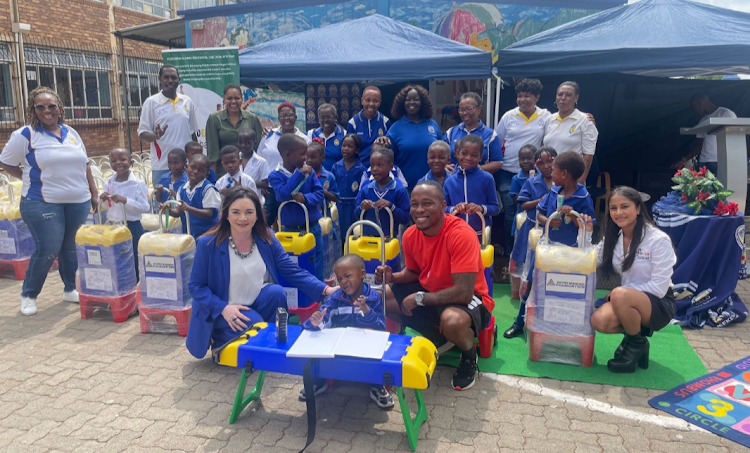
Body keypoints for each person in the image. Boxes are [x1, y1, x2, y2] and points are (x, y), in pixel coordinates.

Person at [186, 187, 336, 358]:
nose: (243, 218)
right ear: (226, 214)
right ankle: (220, 342)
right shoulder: (207, 244)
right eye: (236, 212)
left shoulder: (267, 237)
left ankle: (265, 347)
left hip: (253, 302)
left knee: (276, 293)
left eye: (249, 212)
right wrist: (223, 308)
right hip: (221, 308)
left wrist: (326, 290)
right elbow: (196, 286)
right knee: (257, 325)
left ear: (257, 215)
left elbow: (292, 271)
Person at [375, 180, 494, 391]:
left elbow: (464, 293)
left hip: (471, 298)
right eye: (414, 204)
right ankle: (439, 339)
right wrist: (392, 277)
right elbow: (414, 273)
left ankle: (468, 356)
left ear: (442, 206)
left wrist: (419, 298)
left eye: (427, 203)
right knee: (379, 296)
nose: (419, 210)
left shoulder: (461, 234)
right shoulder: (410, 234)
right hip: (432, 291)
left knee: (452, 320)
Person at [0, 86, 98, 315]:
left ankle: (70, 288)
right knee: (48, 249)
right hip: (41, 201)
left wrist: (93, 192)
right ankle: (28, 294)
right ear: (33, 110)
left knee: (70, 247)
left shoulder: (71, 133)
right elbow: (6, 162)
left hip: (78, 201)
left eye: (51, 106)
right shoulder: (26, 135)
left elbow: (85, 164)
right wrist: (27, 177)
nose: (47, 111)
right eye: (40, 107)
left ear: (59, 108)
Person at [580, 186, 677, 373]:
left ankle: (634, 345)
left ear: (638, 208)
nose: (619, 213)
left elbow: (659, 288)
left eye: (625, 207)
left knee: (619, 295)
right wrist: (587, 232)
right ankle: (638, 340)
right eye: (613, 208)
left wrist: (623, 294)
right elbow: (590, 260)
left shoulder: (658, 240)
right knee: (600, 321)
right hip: (628, 300)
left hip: (660, 303)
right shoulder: (613, 236)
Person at [504, 151, 596, 339]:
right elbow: (539, 213)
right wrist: (549, 221)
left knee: (560, 288)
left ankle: (558, 328)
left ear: (564, 174)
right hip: (546, 248)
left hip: (568, 252)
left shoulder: (582, 197)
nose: (550, 174)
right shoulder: (554, 191)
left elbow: (589, 225)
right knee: (531, 281)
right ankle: (520, 321)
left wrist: (573, 216)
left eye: (554, 170)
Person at [299, 254, 393, 408]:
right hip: (340, 344)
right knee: (316, 344)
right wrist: (316, 322)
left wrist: (367, 312)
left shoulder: (373, 298)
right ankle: (318, 382)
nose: (343, 282)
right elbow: (325, 318)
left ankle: (377, 387)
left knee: (379, 353)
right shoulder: (336, 298)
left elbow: (381, 327)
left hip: (365, 344)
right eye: (339, 278)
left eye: (348, 276)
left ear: (362, 274)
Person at [495, 79, 548, 253]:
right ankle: (512, 255)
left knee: (533, 214)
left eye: (527, 96)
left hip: (533, 175)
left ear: (537, 97)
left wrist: (586, 117)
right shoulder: (508, 116)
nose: (522, 99)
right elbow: (498, 141)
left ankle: (532, 254)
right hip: (508, 174)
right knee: (511, 216)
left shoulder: (546, 117)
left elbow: (561, 122)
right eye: (519, 96)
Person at [268, 134, 325, 280]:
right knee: (294, 265)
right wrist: (299, 174)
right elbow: (282, 195)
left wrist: (306, 198)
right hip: (290, 230)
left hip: (312, 227)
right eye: (302, 154)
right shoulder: (275, 175)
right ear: (287, 155)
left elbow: (319, 193)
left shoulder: (309, 172)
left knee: (317, 261)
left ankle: (318, 296)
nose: (305, 158)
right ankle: (300, 297)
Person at [138, 65, 198, 184]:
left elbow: (192, 133)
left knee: (184, 201)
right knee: (163, 201)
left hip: (185, 166)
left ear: (178, 79)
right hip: (162, 165)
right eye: (166, 77)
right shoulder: (151, 102)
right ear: (160, 79)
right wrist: (155, 136)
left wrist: (195, 158)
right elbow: (142, 134)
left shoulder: (187, 101)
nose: (170, 81)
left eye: (173, 77)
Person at [509, 146, 555, 298]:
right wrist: (539, 201)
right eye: (541, 163)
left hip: (554, 230)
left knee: (546, 264)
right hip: (531, 227)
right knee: (522, 259)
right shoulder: (531, 182)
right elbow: (523, 204)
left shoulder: (561, 182)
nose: (546, 166)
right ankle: (518, 294)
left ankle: (542, 295)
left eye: (550, 161)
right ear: (536, 165)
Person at [100, 147, 149, 280]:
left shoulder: (137, 184)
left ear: (131, 162)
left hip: (131, 226)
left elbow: (145, 207)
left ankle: (136, 287)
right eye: (114, 161)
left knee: (134, 259)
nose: (118, 163)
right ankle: (121, 286)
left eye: (123, 159)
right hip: (113, 226)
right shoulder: (109, 182)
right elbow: (106, 206)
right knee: (116, 259)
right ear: (110, 164)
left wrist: (125, 200)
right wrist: (103, 199)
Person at [385, 85, 442, 188]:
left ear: (422, 102)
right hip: (406, 189)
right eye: (408, 100)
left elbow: (442, 153)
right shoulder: (395, 128)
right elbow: (388, 159)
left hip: (433, 187)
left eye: (416, 99)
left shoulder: (432, 125)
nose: (411, 103)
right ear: (402, 103)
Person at [542, 82, 599, 185]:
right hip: (549, 178)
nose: (563, 98)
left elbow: (588, 156)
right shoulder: (549, 119)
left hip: (571, 179)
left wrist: (579, 182)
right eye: (560, 94)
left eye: (568, 95)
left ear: (576, 98)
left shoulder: (585, 121)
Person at [444, 135, 500, 237]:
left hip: (480, 235)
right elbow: (442, 208)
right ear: (457, 153)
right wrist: (455, 209)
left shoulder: (487, 178)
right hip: (456, 234)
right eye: (464, 153)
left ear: (480, 157)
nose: (468, 158)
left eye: (474, 155)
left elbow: (495, 208)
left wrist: (480, 208)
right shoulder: (449, 181)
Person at [205, 83, 264, 178]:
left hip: (249, 172)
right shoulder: (215, 118)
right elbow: (213, 153)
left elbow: (258, 147)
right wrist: (214, 180)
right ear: (224, 99)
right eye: (229, 98)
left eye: (237, 98)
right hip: (224, 172)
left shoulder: (251, 118)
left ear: (242, 99)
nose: (233, 102)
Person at [672, 93, 737, 175]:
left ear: (700, 103)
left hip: (720, 160)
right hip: (704, 161)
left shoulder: (726, 114)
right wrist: (685, 160)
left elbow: (734, 138)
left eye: (694, 108)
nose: (695, 111)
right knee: (705, 187)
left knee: (721, 187)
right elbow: (700, 146)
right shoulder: (703, 120)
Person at [443, 92, 503, 181]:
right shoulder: (451, 132)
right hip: (454, 183)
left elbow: (498, 162)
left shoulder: (490, 134)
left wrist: (478, 169)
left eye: (469, 109)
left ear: (479, 109)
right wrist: (444, 165)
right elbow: (440, 153)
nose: (465, 113)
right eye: (461, 110)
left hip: (479, 182)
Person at [354, 146, 410, 238]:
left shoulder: (399, 190)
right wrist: (362, 207)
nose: (375, 169)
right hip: (367, 239)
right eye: (372, 166)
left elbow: (406, 219)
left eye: (380, 165)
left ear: (390, 167)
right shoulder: (366, 189)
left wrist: (391, 206)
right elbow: (356, 215)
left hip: (390, 240)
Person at [164, 154, 221, 240]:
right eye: (193, 167)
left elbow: (208, 213)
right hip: (189, 234)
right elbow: (178, 212)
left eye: (201, 170)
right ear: (186, 167)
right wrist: (168, 210)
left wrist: (188, 208)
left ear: (207, 174)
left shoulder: (208, 189)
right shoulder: (182, 189)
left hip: (208, 235)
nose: (195, 172)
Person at [258, 102, 311, 172]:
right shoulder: (268, 135)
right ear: (278, 118)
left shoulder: (305, 140)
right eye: (282, 115)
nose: (286, 118)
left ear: (295, 117)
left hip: (295, 181)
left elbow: (308, 163)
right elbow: (259, 159)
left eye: (290, 115)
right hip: (269, 181)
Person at [332, 134, 365, 239]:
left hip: (353, 207)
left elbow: (361, 190)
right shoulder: (336, 167)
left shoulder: (361, 169)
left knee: (353, 235)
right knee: (339, 235)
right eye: (344, 145)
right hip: (339, 207)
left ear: (357, 150)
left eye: (350, 146)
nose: (346, 149)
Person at [347, 86, 391, 165]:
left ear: (380, 102)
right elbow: (350, 150)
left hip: (380, 168)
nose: (371, 104)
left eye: (375, 101)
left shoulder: (385, 122)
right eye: (367, 100)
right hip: (359, 169)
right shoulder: (353, 123)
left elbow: (389, 149)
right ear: (362, 101)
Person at [307, 103, 347, 170]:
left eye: (329, 117)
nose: (325, 120)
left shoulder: (344, 134)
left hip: (337, 177)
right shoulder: (311, 134)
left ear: (335, 117)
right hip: (316, 177)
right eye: (322, 117)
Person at [239, 128, 270, 205]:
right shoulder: (234, 159)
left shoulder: (261, 162)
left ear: (255, 143)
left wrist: (245, 183)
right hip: (237, 200)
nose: (243, 145)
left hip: (255, 202)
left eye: (248, 143)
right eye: (241, 142)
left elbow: (265, 183)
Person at [306, 139, 340, 206]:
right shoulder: (303, 175)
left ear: (322, 158)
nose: (309, 160)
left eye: (313, 157)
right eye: (307, 157)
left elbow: (336, 198)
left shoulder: (329, 176)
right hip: (307, 213)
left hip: (324, 214)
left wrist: (321, 191)